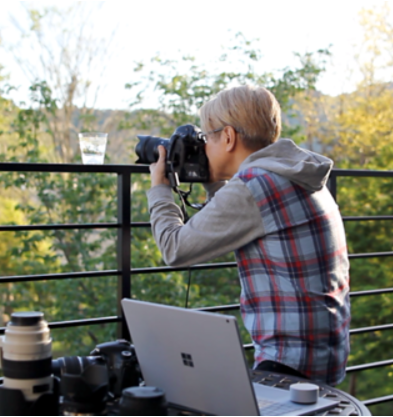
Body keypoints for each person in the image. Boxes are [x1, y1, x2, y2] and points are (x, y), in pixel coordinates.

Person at [146, 85, 350, 386]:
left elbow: (174, 249)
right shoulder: (295, 173)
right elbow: (246, 216)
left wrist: (160, 189)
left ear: (228, 137)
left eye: (206, 138)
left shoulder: (254, 186)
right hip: (323, 353)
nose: (203, 148)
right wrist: (214, 181)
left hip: (286, 362)